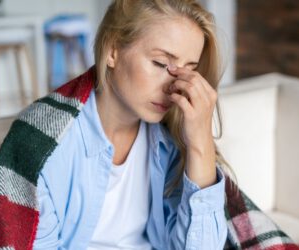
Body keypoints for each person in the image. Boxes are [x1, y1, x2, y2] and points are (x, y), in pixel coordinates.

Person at [31, 0, 233, 249]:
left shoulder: (171, 143)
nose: (174, 87)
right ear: (113, 50)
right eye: (161, 64)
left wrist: (201, 144)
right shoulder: (43, 147)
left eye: (188, 72)